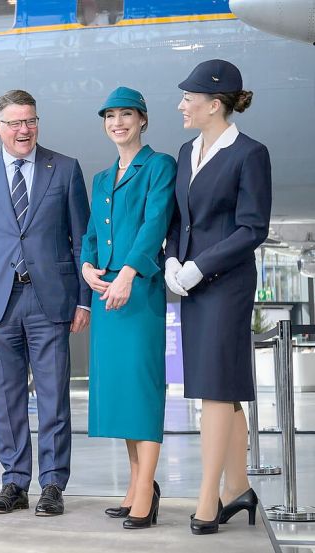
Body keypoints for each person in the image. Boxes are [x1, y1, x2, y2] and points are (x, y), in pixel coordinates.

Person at [0, 90, 90, 517]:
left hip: (50, 300)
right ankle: (14, 482)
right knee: (6, 399)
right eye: (14, 123)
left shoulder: (65, 169)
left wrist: (84, 301)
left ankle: (52, 484)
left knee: (53, 398)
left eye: (30, 121)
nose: (24, 130)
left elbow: (80, 241)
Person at [164, 59, 271, 535]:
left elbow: (253, 227)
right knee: (224, 393)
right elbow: (178, 219)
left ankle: (208, 501)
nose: (181, 105)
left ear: (214, 104)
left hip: (225, 285)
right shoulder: (187, 151)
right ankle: (238, 488)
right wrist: (171, 258)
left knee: (213, 390)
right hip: (191, 283)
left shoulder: (249, 153)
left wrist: (199, 266)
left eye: (188, 98)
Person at [80, 87, 176, 529]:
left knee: (142, 390)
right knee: (120, 393)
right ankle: (139, 485)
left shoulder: (159, 165)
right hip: (105, 292)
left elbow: (155, 222)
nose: (117, 122)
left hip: (137, 289)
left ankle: (145, 489)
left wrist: (128, 274)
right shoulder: (101, 178)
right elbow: (91, 234)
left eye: (126, 115)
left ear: (142, 120)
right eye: (110, 116)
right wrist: (86, 265)